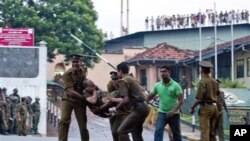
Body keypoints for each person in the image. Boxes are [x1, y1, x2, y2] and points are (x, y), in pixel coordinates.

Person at [108, 62, 149, 141]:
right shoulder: (132, 78)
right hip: (144, 107)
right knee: (136, 132)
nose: (117, 73)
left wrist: (115, 108)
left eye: (117, 71)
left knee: (121, 131)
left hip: (138, 109)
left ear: (120, 71)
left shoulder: (123, 81)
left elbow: (125, 99)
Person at [146, 65, 184, 141]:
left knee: (176, 134)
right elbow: (150, 96)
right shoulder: (157, 85)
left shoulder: (176, 85)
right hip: (162, 113)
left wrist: (173, 111)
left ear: (169, 72)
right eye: (161, 72)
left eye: (165, 71)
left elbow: (181, 100)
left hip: (174, 114)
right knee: (158, 131)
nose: (163, 73)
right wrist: (146, 101)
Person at [58, 54, 89, 141]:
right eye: (73, 62)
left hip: (79, 101)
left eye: (77, 62)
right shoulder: (67, 74)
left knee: (83, 125)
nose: (75, 64)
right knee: (64, 121)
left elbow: (85, 82)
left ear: (81, 62)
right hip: (68, 100)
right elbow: (71, 91)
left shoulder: (84, 70)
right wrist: (84, 98)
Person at [190, 61, 219, 141]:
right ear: (210, 71)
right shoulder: (215, 82)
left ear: (201, 70)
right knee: (212, 132)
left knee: (204, 132)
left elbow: (199, 99)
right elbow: (218, 94)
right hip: (214, 108)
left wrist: (192, 107)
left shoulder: (202, 82)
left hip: (206, 109)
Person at [105, 71, 132, 141]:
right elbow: (108, 96)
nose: (114, 81)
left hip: (125, 111)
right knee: (114, 132)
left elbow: (125, 99)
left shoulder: (124, 85)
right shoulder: (111, 86)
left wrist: (112, 99)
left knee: (121, 132)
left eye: (115, 79)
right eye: (112, 79)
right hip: (114, 111)